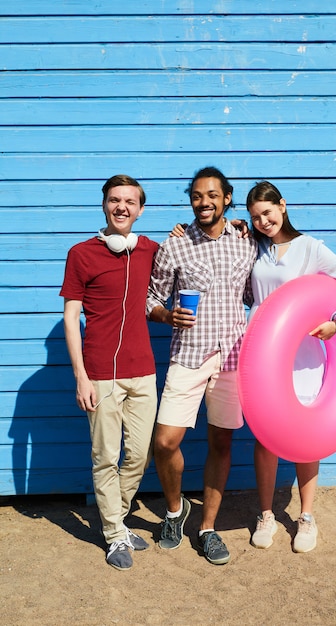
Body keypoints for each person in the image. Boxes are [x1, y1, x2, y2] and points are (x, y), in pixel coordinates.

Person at [245, 180, 336, 553]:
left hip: (304, 359)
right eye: (255, 217)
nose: (263, 221)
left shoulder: (310, 248)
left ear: (282, 206)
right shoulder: (257, 249)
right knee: (264, 440)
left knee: (306, 438)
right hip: (263, 361)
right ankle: (266, 514)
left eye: (267, 212)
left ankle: (307, 517)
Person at [146, 166, 257, 565]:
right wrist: (165, 316)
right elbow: (151, 299)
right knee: (164, 442)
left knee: (221, 442)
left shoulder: (247, 242)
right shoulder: (174, 244)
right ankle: (176, 512)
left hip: (231, 357)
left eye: (212, 195)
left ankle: (208, 528)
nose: (203, 202)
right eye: (196, 195)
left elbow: (255, 293)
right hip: (189, 354)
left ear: (227, 198)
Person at [60, 174, 159, 570]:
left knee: (139, 454)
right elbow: (70, 320)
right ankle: (115, 533)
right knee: (106, 457)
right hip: (100, 373)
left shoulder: (150, 249)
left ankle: (115, 517)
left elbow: (194, 244)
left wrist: (236, 225)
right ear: (104, 204)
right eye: (115, 200)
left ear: (140, 209)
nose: (122, 207)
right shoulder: (81, 253)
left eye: (130, 201)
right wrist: (81, 376)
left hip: (143, 371)